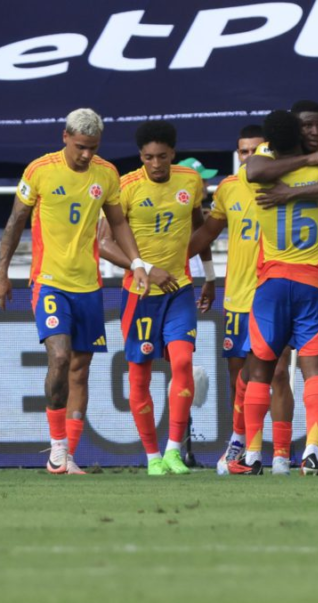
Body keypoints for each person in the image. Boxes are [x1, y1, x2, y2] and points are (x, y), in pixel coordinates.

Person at [0, 108, 149, 474]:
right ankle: (56, 449)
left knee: (80, 369)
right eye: (80, 147)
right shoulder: (39, 170)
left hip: (89, 285)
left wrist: (137, 263)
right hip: (49, 281)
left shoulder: (107, 174)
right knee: (60, 357)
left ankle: (67, 457)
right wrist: (1, 273)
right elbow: (16, 221)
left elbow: (118, 222)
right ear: (65, 137)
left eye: (92, 148)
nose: (86, 155)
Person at [247, 100, 318, 476]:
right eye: (308, 127)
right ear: (296, 131)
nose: (316, 133)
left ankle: (262, 454)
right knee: (313, 366)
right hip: (313, 278)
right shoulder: (317, 163)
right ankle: (311, 450)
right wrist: (310, 167)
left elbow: (255, 171)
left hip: (280, 279)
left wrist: (288, 192)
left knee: (276, 367)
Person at [100, 120, 215, 476]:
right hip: (140, 294)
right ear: (141, 157)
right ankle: (151, 456)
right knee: (140, 376)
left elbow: (199, 229)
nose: (155, 164)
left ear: (173, 154)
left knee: (181, 363)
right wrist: (145, 268)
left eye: (162, 156)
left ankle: (174, 451)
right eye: (148, 157)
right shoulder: (126, 186)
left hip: (180, 287)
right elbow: (104, 243)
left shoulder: (190, 181)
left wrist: (209, 275)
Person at [187, 124, 295, 476]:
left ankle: (280, 454)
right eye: (243, 152)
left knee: (278, 374)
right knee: (241, 380)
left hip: (276, 294)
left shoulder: (287, 184)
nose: (248, 157)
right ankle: (245, 447)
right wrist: (171, 259)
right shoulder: (229, 189)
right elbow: (207, 232)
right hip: (237, 297)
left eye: (255, 150)